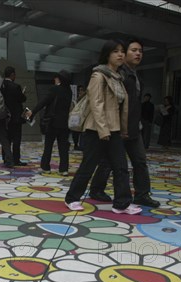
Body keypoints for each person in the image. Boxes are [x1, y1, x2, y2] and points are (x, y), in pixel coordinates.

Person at [64, 39, 141, 215]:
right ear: (107, 55)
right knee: (88, 166)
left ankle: (121, 203)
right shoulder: (98, 76)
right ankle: (72, 198)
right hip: (96, 130)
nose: (120, 54)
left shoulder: (118, 78)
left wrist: (121, 130)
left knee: (121, 167)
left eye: (122, 51)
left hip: (113, 130)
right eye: (116, 51)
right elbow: (96, 104)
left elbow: (121, 108)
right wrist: (103, 129)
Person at [89, 39, 160, 208]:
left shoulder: (135, 75)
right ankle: (97, 189)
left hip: (134, 127)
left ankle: (142, 194)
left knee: (140, 161)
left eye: (140, 51)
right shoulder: (116, 74)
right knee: (110, 162)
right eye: (133, 50)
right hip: (117, 127)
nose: (138, 54)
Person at [26, 70, 73, 175]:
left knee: (48, 146)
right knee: (63, 147)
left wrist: (32, 111)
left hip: (52, 122)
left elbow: (43, 102)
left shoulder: (54, 89)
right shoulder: (69, 91)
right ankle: (63, 169)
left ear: (59, 79)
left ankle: (46, 167)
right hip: (64, 123)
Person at [2, 66, 28, 166]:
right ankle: (16, 160)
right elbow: (22, 99)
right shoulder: (15, 86)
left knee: (6, 139)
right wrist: (23, 94)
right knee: (16, 139)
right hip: (16, 117)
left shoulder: (1, 86)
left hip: (4, 116)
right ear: (12, 75)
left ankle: (6, 158)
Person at [71, 85, 86, 151]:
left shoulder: (86, 98)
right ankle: (76, 144)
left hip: (84, 118)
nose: (80, 92)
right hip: (77, 118)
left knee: (82, 133)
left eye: (81, 90)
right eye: (79, 90)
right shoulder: (76, 100)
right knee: (75, 132)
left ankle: (82, 145)